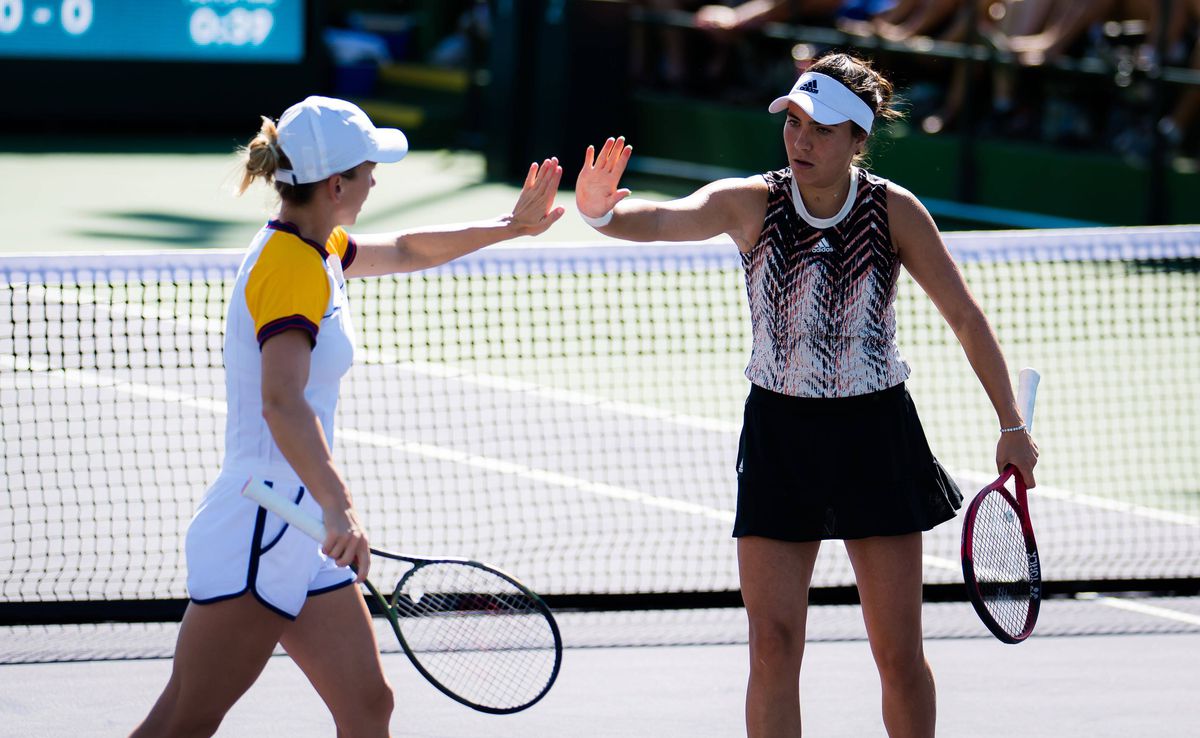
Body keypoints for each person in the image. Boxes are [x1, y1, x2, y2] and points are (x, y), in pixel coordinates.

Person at [575, 53, 1038, 737]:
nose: (801, 141)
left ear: (859, 140)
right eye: (793, 122)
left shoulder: (894, 211)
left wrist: (1010, 424)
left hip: (876, 435)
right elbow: (665, 218)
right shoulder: (751, 202)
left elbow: (966, 317)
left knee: (898, 653)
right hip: (779, 435)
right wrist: (597, 212)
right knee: (772, 646)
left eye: (821, 129)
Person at [130, 96, 563, 737]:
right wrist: (339, 506)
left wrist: (511, 225)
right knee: (187, 720)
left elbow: (409, 248)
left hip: (301, 530)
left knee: (367, 706)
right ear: (336, 184)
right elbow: (282, 402)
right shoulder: (288, 269)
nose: (375, 179)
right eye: (368, 169)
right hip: (262, 525)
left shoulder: (317, 245)